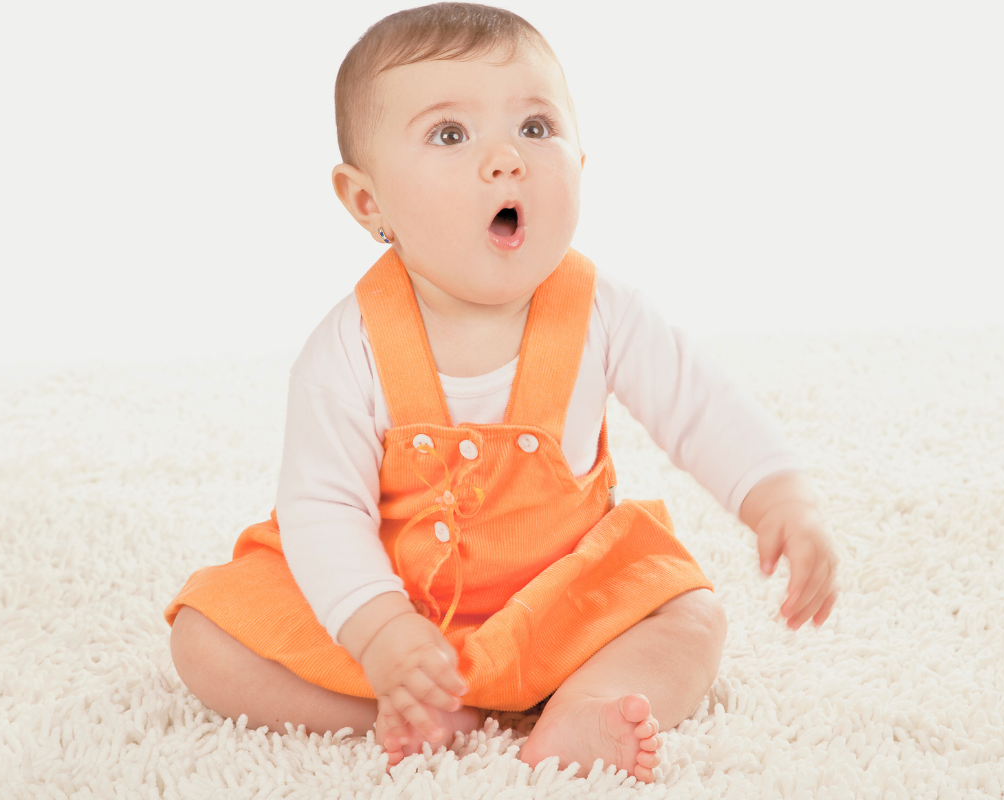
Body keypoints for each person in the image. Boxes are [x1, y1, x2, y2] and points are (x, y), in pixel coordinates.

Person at [165, 2, 839, 783]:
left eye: (536, 128)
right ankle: (417, 705)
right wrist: (381, 632)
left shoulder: (599, 310)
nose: (506, 159)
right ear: (367, 202)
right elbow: (323, 511)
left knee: (690, 613)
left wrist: (781, 498)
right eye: (450, 134)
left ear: (580, 167)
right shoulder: (345, 350)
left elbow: (701, 404)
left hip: (560, 602)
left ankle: (588, 701)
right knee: (205, 639)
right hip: (392, 609)